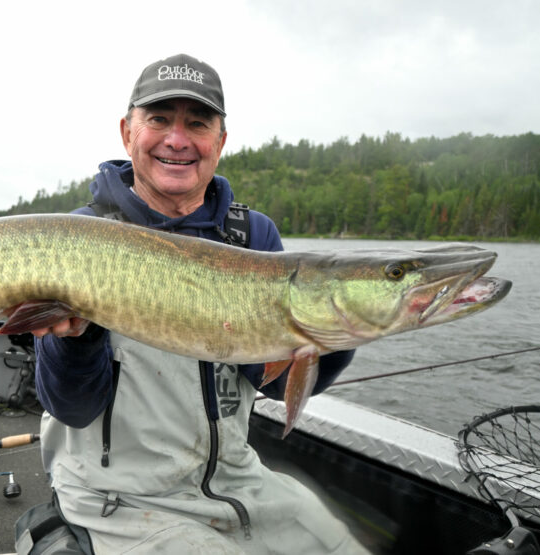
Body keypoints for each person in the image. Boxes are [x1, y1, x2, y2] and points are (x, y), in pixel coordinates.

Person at [18, 54, 369, 554]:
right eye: (159, 119)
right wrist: (76, 339)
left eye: (198, 124)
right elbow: (72, 409)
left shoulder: (252, 235)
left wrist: (337, 331)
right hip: (117, 498)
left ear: (220, 142)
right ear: (127, 133)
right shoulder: (81, 236)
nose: (177, 140)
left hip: (238, 483)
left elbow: (269, 383)